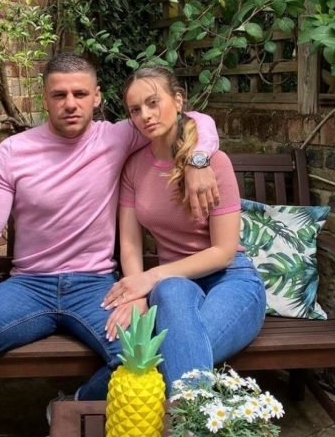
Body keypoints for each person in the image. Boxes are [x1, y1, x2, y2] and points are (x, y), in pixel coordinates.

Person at [0, 53, 221, 436]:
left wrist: (199, 161)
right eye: (59, 95)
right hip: (28, 286)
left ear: (97, 97)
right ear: (45, 98)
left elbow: (195, 120)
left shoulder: (117, 137)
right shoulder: (14, 152)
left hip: (95, 286)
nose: (70, 103)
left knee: (143, 357)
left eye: (80, 94)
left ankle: (75, 404)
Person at [102, 66, 266, 395]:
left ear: (178, 101)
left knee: (178, 348)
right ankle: (195, 419)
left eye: (153, 102)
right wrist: (137, 294)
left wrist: (149, 278)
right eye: (135, 110)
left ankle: (86, 396)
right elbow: (131, 244)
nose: (146, 115)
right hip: (173, 285)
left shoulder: (213, 163)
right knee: (172, 297)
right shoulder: (134, 167)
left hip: (230, 279)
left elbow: (223, 252)